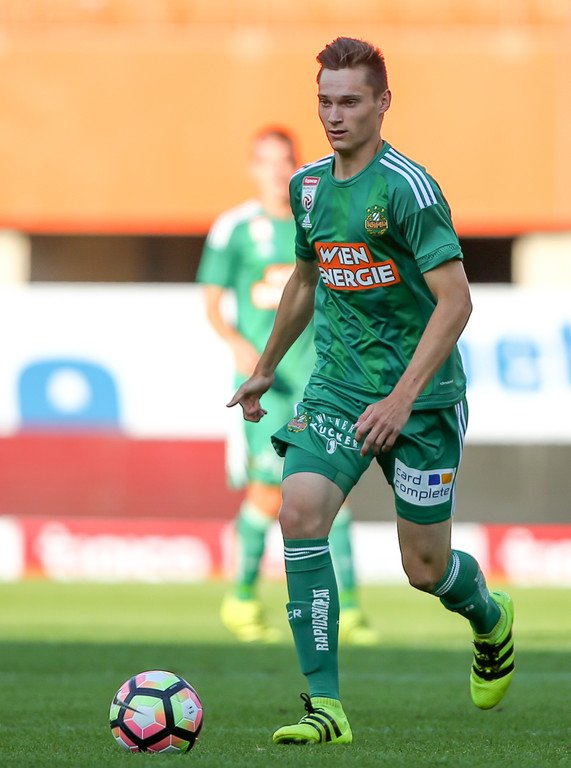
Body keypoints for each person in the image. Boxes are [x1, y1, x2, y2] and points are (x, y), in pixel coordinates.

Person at [228, 37, 515, 745]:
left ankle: (488, 617)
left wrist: (401, 399)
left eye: (350, 101)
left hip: (422, 401)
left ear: (383, 103)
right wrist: (267, 364)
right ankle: (324, 706)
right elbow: (306, 280)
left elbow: (455, 301)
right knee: (299, 512)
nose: (334, 115)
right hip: (336, 387)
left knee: (425, 568)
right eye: (324, 101)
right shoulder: (307, 188)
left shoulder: (408, 189)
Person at [198, 126, 377, 646]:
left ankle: (350, 610)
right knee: (266, 490)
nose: (277, 172)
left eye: (285, 161)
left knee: (336, 493)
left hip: (324, 379)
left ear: (298, 165)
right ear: (253, 168)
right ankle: (242, 598)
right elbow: (211, 301)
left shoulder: (320, 216)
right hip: (268, 384)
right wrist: (236, 344)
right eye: (267, 161)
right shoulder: (235, 228)